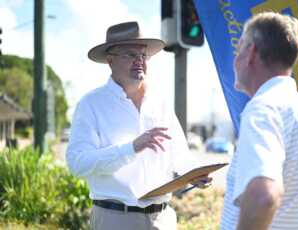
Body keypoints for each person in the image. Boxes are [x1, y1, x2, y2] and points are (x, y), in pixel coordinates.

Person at [66, 21, 210, 230]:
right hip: (115, 219)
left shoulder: (159, 102)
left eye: (143, 55)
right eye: (130, 55)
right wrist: (131, 148)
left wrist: (195, 174)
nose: (139, 61)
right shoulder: (91, 104)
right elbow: (78, 164)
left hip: (163, 220)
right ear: (110, 60)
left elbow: (180, 156)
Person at [220, 12, 298, 230]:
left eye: (239, 48)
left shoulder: (263, 109)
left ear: (250, 52)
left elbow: (264, 196)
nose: (235, 58)